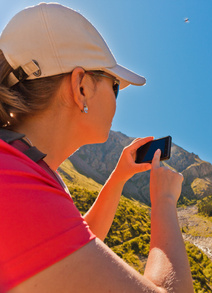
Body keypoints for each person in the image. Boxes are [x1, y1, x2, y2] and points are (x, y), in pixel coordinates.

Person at [0, 3, 194, 293]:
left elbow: (75, 242)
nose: (117, 99)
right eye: (114, 85)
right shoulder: (14, 184)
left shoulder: (22, 169)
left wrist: (119, 176)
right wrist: (164, 202)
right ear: (81, 87)